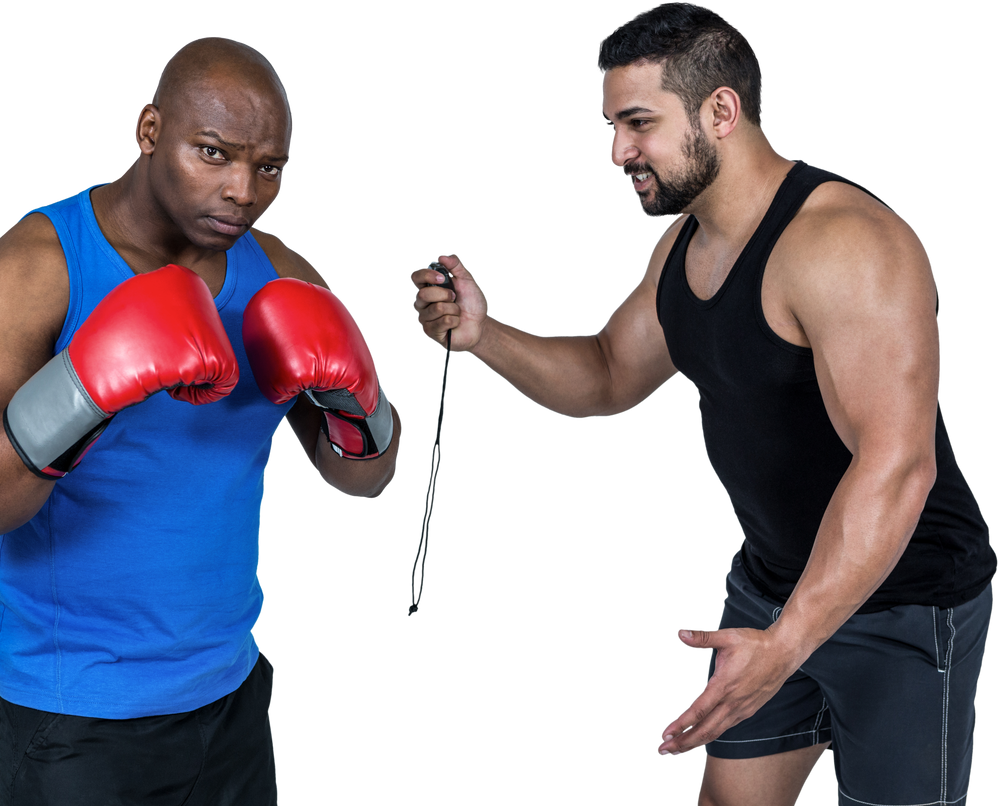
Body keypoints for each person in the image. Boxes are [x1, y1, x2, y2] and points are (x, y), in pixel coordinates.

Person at [410, 3, 994, 805]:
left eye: (638, 123)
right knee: (728, 800)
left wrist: (788, 645)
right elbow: (611, 372)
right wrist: (485, 336)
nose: (618, 151)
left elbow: (897, 465)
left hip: (904, 601)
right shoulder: (685, 242)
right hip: (770, 585)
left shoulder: (848, 245)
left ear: (720, 110)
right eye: (613, 126)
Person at [0, 35, 402, 804]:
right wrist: (87, 386)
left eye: (268, 167)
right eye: (213, 153)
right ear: (148, 131)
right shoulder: (34, 270)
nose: (243, 191)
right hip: (71, 714)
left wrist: (360, 402)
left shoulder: (278, 274)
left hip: (229, 691)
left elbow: (367, 476)